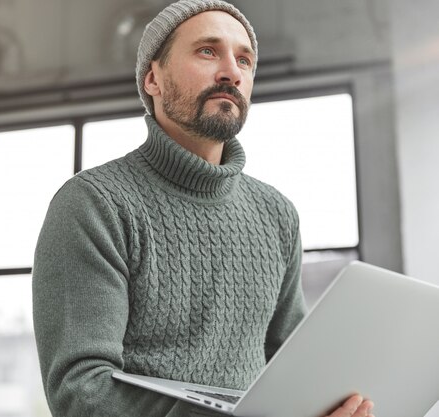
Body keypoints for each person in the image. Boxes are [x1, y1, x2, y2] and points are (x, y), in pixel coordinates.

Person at [32, 1, 376, 416]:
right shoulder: (94, 204)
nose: (232, 71)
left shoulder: (277, 214)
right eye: (208, 51)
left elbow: (290, 366)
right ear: (153, 79)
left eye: (244, 59)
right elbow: (80, 393)